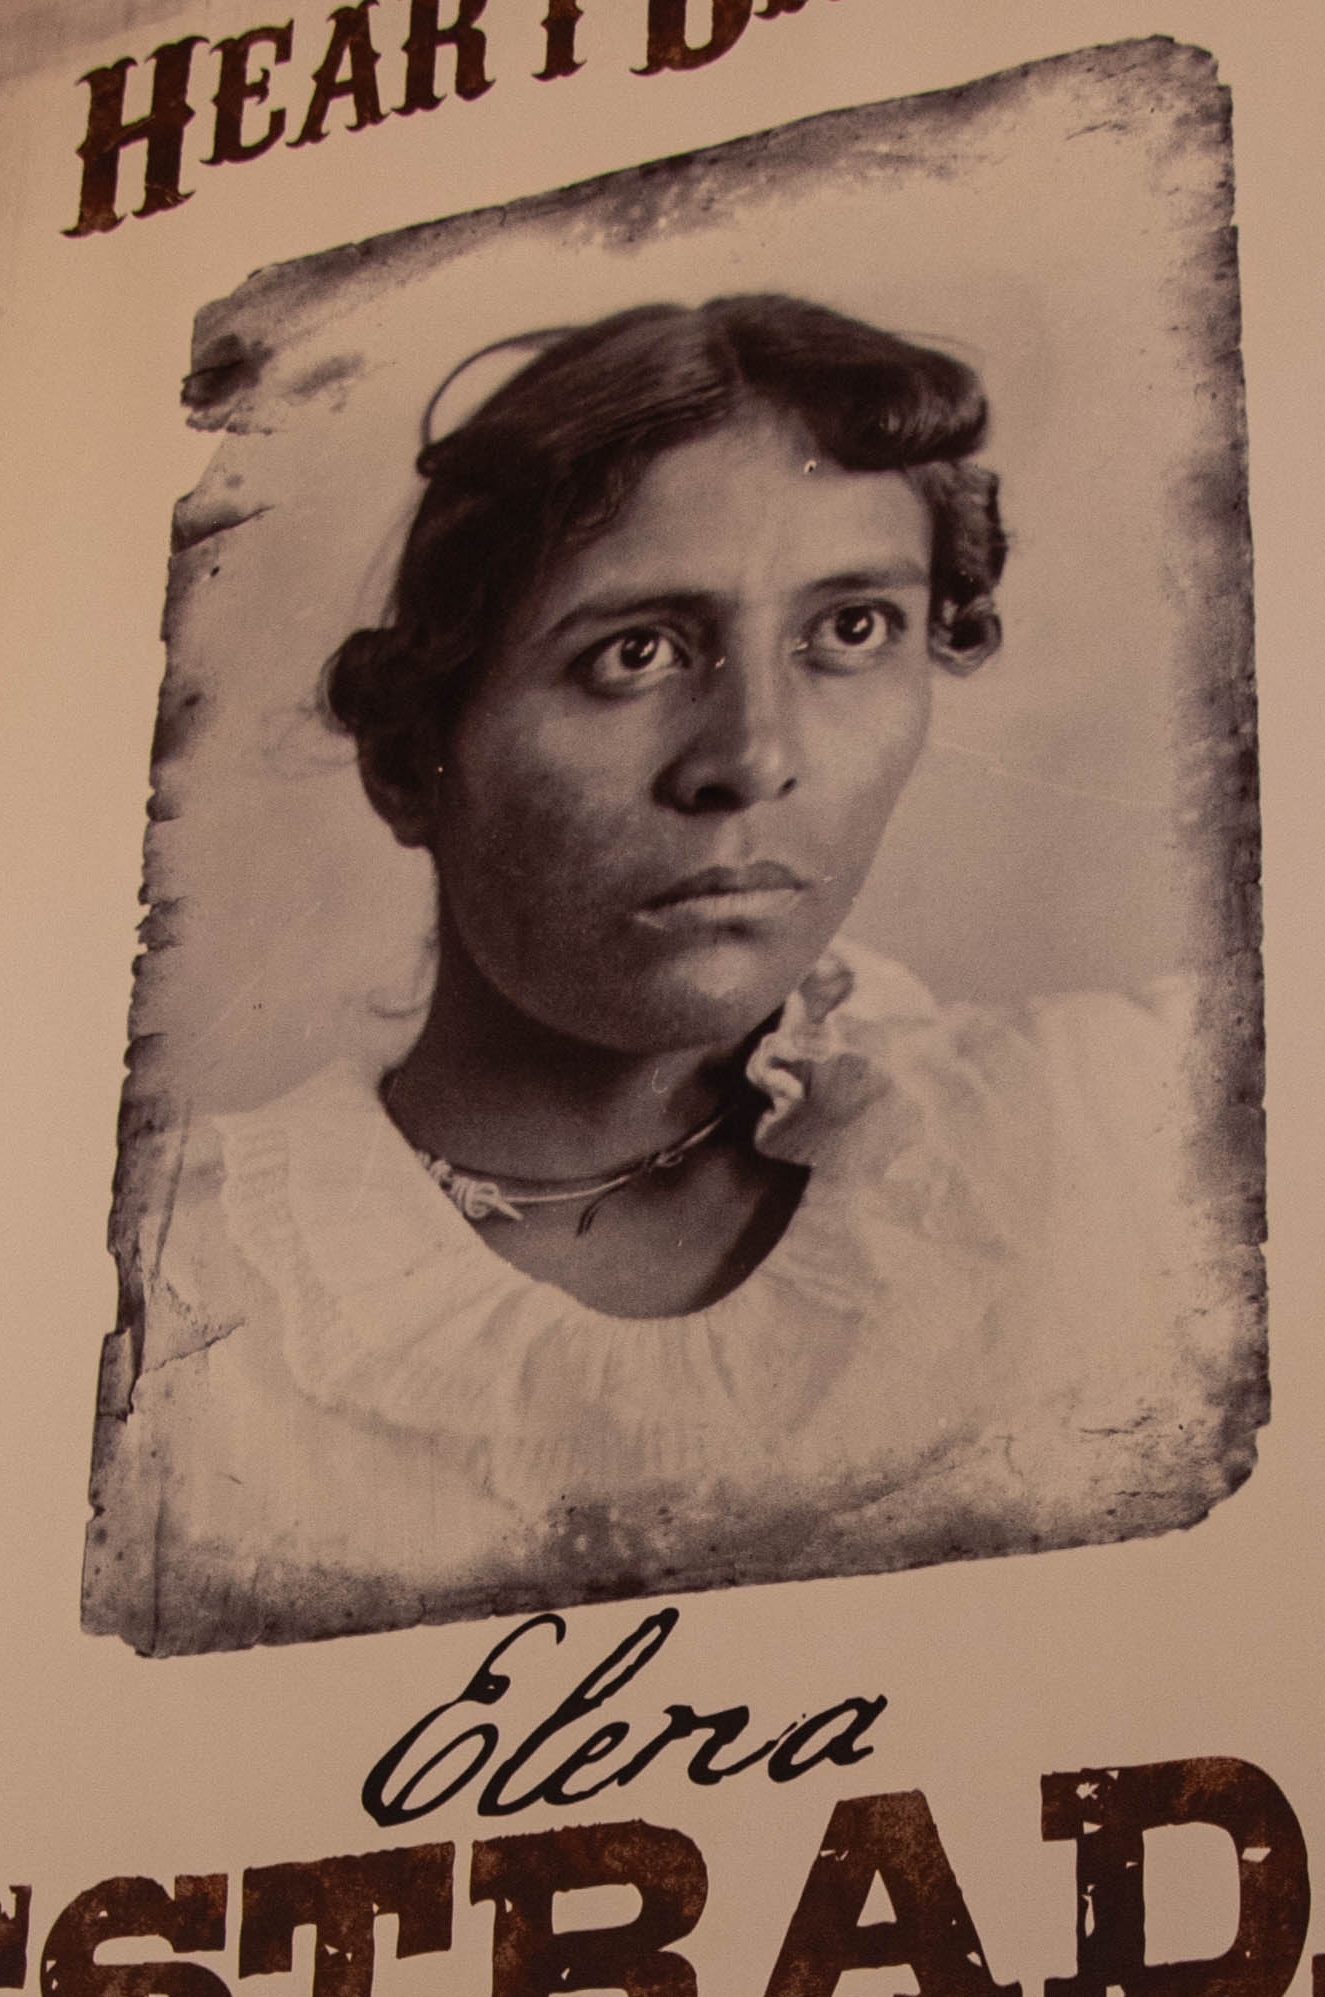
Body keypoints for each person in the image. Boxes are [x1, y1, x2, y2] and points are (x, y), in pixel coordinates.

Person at [82, 291, 1259, 1658]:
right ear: (412, 762)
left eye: (852, 630)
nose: (752, 756)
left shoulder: (1134, 1130)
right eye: (633, 653)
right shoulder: (169, 1300)